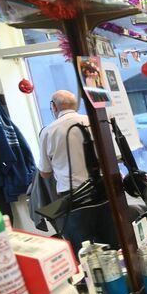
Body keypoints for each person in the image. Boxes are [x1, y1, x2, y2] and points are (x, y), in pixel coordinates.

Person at [39, 89, 119, 255]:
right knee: (114, 248)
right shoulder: (94, 122)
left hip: (74, 201)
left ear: (54, 107)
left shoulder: (48, 131)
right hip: (103, 195)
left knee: (86, 255)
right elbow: (114, 156)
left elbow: (44, 173)